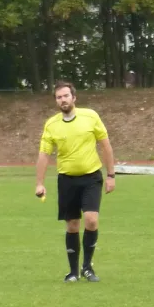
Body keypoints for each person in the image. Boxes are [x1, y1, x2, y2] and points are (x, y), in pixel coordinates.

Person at [35, 81, 116, 283]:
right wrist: (39, 182)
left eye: (65, 96)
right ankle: (73, 272)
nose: (62, 100)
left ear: (74, 98)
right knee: (72, 225)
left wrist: (111, 175)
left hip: (91, 177)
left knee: (91, 220)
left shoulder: (90, 117)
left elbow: (106, 146)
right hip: (67, 180)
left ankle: (87, 267)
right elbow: (44, 155)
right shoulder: (51, 124)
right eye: (58, 97)